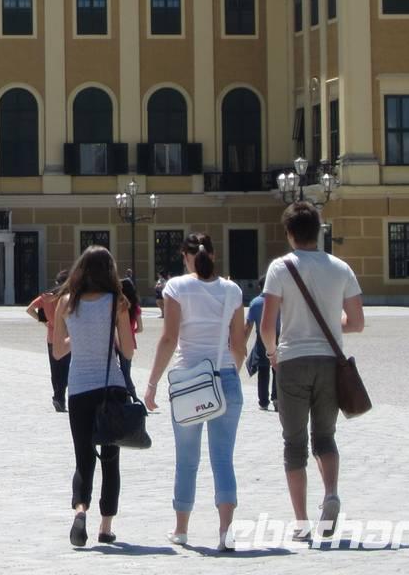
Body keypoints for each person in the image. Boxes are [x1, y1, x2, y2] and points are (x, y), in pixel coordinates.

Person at [261, 201, 364, 542]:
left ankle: (301, 522)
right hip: (329, 363)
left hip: (292, 362)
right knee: (325, 437)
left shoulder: (280, 267)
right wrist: (330, 327)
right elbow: (357, 323)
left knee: (294, 445)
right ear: (318, 230)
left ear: (289, 233)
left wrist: (273, 353)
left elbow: (266, 326)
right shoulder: (340, 267)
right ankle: (331, 492)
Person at [142, 233, 248, 551]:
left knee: (186, 460)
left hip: (189, 381)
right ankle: (225, 532)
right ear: (213, 256)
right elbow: (239, 345)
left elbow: (169, 339)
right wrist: (230, 374)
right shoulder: (233, 290)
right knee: (223, 459)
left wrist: (152, 384)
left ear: (185, 257)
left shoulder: (176, 287)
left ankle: (182, 529)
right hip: (225, 377)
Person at [52, 246, 136, 549]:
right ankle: (106, 526)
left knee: (83, 458)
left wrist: (79, 337)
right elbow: (127, 351)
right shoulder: (118, 303)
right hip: (111, 386)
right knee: (110, 459)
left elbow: (59, 351)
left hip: (79, 389)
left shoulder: (65, 302)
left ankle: (80, 511)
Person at [28, 271, 72, 411]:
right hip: (65, 335)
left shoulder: (46, 296)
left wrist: (44, 321)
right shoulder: (66, 297)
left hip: (51, 336)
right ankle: (60, 397)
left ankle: (57, 396)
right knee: (64, 368)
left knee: (55, 368)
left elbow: (29, 309)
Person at [246, 290, 277, 410]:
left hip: (261, 339)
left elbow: (248, 324)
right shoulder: (279, 301)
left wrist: (243, 343)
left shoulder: (255, 303)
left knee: (263, 371)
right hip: (278, 337)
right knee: (277, 370)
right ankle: (276, 399)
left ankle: (263, 402)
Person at [118, 277, 143, 396]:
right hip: (130, 340)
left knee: (117, 370)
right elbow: (140, 328)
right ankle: (132, 395)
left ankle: (129, 395)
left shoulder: (119, 305)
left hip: (117, 340)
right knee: (126, 370)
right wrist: (131, 331)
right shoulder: (136, 307)